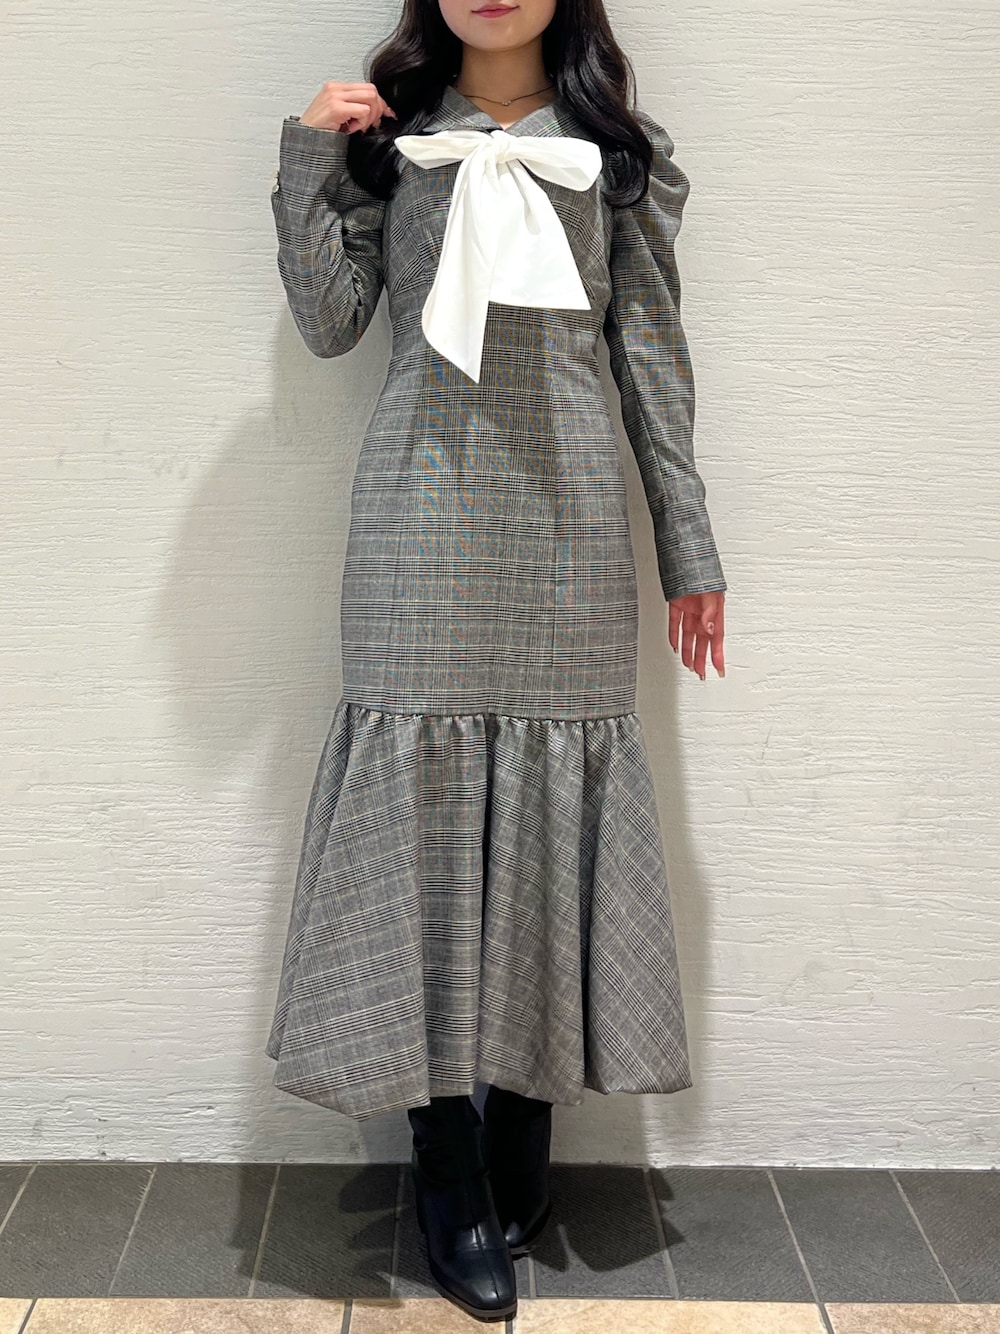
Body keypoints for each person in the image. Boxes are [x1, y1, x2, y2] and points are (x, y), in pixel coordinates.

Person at [265, 0, 727, 1320]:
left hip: (571, 520)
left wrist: (689, 544)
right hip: (417, 517)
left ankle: (524, 1104)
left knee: (548, 824)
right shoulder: (394, 146)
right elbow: (331, 322)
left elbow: (651, 357)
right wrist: (308, 154)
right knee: (414, 830)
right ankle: (444, 1152)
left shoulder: (615, 154)